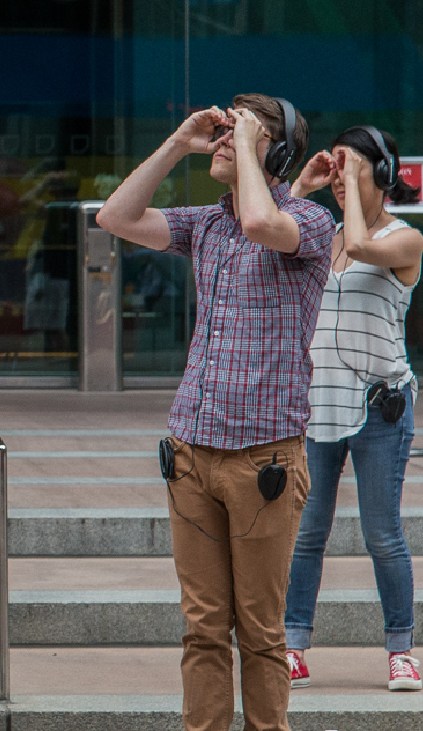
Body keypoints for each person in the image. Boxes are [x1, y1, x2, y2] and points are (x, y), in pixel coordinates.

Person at [96, 94, 334, 731]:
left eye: (242, 132)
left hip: (265, 463)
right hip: (191, 455)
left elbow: (261, 223)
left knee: (260, 631)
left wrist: (255, 149)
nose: (224, 141)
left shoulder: (309, 222)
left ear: (276, 152)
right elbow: (115, 218)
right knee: (202, 629)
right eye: (226, 131)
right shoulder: (206, 223)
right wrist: (178, 142)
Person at [283, 127, 423, 692]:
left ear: (381, 173)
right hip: (317, 407)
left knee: (382, 533)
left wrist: (363, 179)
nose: (339, 179)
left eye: (350, 169)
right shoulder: (322, 232)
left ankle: (401, 650)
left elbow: (365, 248)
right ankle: (292, 646)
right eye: (336, 170)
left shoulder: (405, 239)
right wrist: (304, 184)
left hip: (379, 409)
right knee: (306, 533)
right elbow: (272, 235)